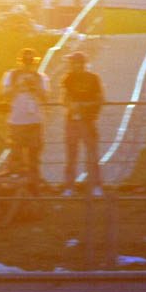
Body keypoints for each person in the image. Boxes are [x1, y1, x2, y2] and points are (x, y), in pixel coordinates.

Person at [0, 48, 50, 184]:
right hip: (16, 121)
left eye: (30, 62)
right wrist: (17, 86)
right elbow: (4, 95)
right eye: (25, 62)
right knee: (16, 156)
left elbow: (45, 98)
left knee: (34, 155)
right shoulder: (11, 75)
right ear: (20, 62)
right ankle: (19, 183)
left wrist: (35, 87)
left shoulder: (41, 77)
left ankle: (34, 184)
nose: (27, 65)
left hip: (35, 121)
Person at [60, 51, 104, 196]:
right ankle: (69, 187)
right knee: (71, 156)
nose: (71, 65)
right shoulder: (68, 78)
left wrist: (84, 105)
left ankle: (96, 185)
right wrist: (71, 105)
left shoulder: (93, 78)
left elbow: (100, 99)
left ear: (80, 64)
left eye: (73, 62)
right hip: (72, 120)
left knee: (92, 155)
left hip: (88, 120)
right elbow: (64, 99)